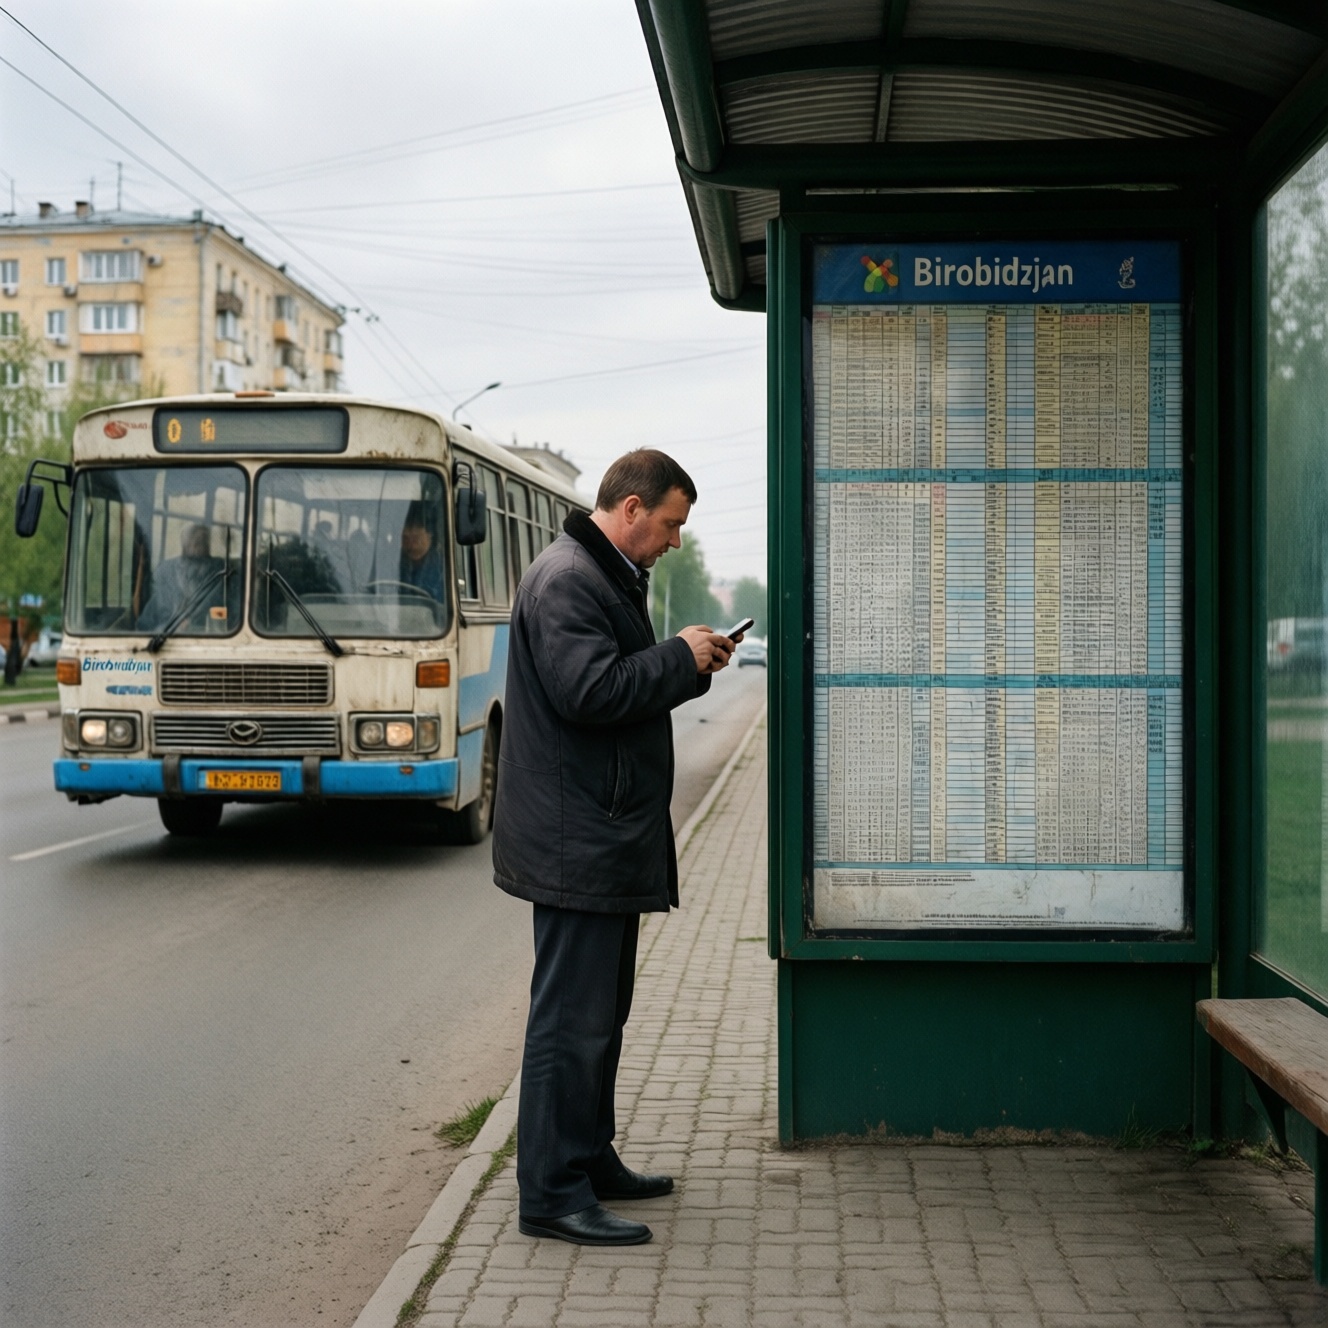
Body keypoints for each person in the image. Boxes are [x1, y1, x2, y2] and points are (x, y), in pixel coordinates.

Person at [492, 449, 740, 1247]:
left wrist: (689, 661)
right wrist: (677, 656)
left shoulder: (600, 574)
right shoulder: (569, 578)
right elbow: (591, 691)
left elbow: (620, 678)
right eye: (669, 525)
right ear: (630, 509)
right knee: (570, 1023)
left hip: (596, 833)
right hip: (576, 840)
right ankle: (552, 1193)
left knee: (599, 1017)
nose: (674, 541)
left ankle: (588, 1159)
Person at [140, 522, 226, 630]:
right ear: (185, 544)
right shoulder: (166, 571)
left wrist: (192, 622)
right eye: (196, 542)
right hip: (166, 633)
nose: (200, 547)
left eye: (204, 542)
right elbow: (147, 622)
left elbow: (227, 608)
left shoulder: (220, 569)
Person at [397, 505, 444, 600]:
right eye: (405, 539)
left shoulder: (443, 567)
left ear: (430, 535)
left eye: (415, 539)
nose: (411, 546)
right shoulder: (394, 563)